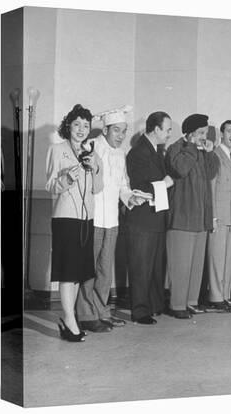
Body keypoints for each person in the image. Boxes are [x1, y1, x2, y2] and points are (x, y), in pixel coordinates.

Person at [75, 107, 144, 332]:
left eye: (124, 131)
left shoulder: (120, 153)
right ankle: (85, 315)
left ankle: (102, 311)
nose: (121, 136)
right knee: (88, 270)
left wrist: (131, 198)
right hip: (92, 219)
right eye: (116, 131)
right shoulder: (91, 146)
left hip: (112, 220)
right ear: (105, 129)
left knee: (105, 270)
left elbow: (123, 185)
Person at [46, 104, 103, 342]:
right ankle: (69, 320)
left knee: (79, 273)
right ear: (68, 125)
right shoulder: (58, 150)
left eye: (86, 126)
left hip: (86, 218)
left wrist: (94, 169)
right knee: (68, 272)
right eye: (77, 124)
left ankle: (71, 319)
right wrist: (67, 177)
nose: (81, 129)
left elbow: (98, 188)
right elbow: (50, 186)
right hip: (65, 218)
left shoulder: (92, 152)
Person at [165, 114, 219, 319]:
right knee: (181, 264)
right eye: (201, 133)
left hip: (200, 217)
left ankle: (191, 301)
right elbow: (180, 169)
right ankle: (177, 304)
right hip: (182, 216)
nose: (204, 137)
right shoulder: (176, 149)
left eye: (205, 133)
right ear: (189, 135)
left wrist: (210, 153)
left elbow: (212, 173)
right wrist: (191, 147)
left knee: (196, 264)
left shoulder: (201, 151)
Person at [125, 111, 174, 325]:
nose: (169, 134)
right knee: (142, 267)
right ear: (156, 129)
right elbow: (139, 186)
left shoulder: (156, 151)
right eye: (168, 129)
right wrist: (165, 184)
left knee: (154, 266)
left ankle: (154, 305)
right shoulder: (138, 153)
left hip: (155, 218)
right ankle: (140, 311)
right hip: (142, 220)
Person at [207, 120, 231, 310]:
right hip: (218, 215)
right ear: (221, 133)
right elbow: (211, 188)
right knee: (217, 258)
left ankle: (225, 295)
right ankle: (216, 297)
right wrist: (213, 216)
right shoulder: (215, 155)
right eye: (229, 131)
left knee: (227, 259)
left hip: (230, 216)